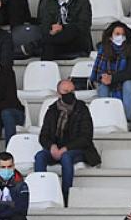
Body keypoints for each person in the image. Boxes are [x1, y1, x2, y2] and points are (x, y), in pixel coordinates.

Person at [34, 79, 98, 207]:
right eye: (66, 91)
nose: (69, 94)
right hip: (56, 148)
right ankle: (41, 191)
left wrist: (65, 148)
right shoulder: (52, 110)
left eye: (72, 91)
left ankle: (66, 196)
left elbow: (86, 137)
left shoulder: (82, 109)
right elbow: (44, 135)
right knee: (40, 156)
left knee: (66, 157)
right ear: (58, 93)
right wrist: (51, 146)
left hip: (77, 149)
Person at [91, 22, 131, 127]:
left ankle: (126, 119)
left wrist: (112, 78)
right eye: (117, 34)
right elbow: (98, 72)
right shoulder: (103, 49)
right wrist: (103, 78)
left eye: (123, 35)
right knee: (103, 86)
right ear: (110, 36)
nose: (120, 37)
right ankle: (104, 117)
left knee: (127, 84)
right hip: (112, 79)